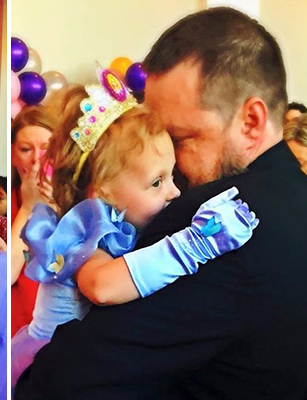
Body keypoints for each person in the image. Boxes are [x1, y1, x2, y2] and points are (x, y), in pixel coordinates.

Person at [15, 7, 307, 399]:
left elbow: (65, 383)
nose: (172, 172)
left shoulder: (220, 216)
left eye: (180, 139)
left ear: (251, 122)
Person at [11, 73, 258, 387]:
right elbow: (102, 286)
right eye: (156, 182)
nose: (174, 192)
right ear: (102, 192)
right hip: (52, 369)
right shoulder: (85, 229)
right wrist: (194, 245)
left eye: (172, 176)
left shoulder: (122, 223)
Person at [10, 106, 55, 337]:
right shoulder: (7, 205)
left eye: (47, 148)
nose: (37, 159)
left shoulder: (77, 204)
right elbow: (6, 275)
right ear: (13, 155)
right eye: (26, 149)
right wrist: (28, 207)